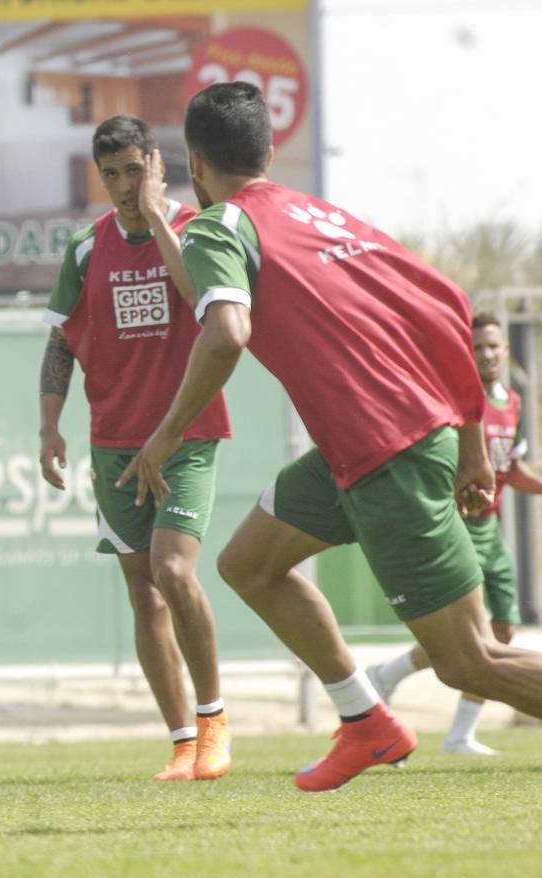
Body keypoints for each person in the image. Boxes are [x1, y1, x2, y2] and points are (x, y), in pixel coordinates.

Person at [120, 81, 542, 793]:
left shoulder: (222, 225)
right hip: (371, 449)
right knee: (248, 564)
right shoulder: (320, 216)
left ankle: (370, 722)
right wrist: (469, 439)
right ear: (270, 150)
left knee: (467, 661)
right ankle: (367, 723)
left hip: (389, 453)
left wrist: (162, 439)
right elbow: (447, 305)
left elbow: (225, 329)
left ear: (195, 160)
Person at [38, 115, 232, 782]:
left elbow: (200, 301)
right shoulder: (86, 249)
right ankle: (182, 742)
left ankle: (214, 722)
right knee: (144, 594)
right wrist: (49, 426)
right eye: (111, 174)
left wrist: (158, 221)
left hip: (185, 435)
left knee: (175, 572)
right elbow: (61, 342)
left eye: (133, 170)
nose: (123, 185)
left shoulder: (196, 231)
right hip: (113, 444)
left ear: (157, 164)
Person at [367, 312, 542, 754]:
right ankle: (391, 679)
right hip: (456, 527)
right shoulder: (453, 402)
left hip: (492, 531)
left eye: (493, 346)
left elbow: (511, 469)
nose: (486, 354)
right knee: (471, 639)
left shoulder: (512, 401)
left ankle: (458, 731)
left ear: (506, 351)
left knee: (501, 633)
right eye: (477, 346)